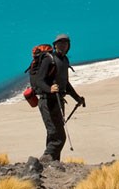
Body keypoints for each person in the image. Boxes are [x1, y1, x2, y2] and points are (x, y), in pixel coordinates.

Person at [33, 33, 86, 162]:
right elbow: (39, 80)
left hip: (58, 101)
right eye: (60, 43)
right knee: (58, 136)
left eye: (65, 43)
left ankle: (54, 163)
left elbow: (65, 84)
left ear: (69, 46)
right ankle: (45, 161)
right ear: (55, 45)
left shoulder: (64, 60)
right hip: (47, 101)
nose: (63, 45)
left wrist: (77, 98)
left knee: (53, 134)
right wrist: (49, 89)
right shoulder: (49, 59)